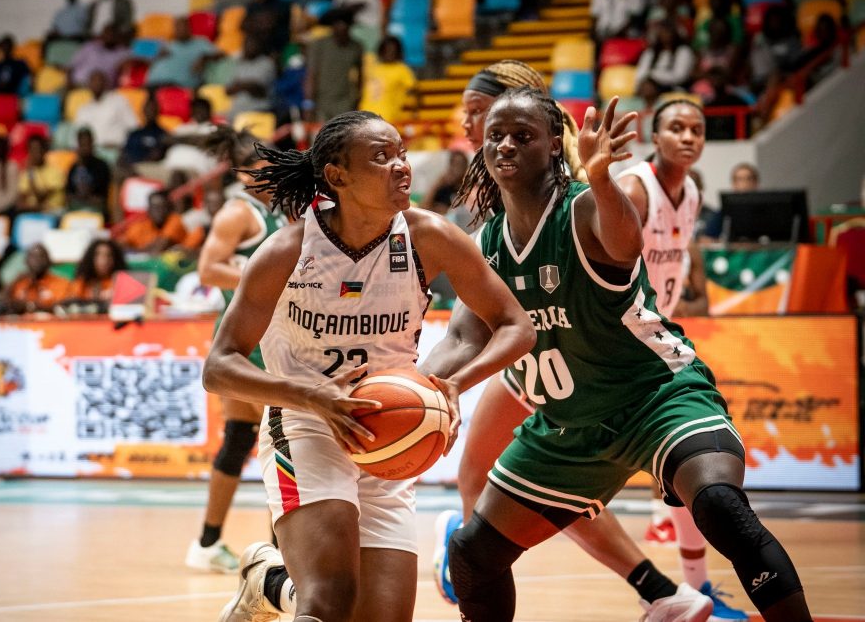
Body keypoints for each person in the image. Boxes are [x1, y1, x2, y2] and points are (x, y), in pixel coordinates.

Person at [435, 88, 812, 622]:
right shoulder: (486, 244)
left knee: (720, 506)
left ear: (554, 148)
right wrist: (414, 385)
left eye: (524, 136)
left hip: (656, 398)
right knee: (472, 554)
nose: (505, 146)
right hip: (568, 426)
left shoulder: (585, 206)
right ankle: (665, 591)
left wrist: (602, 178)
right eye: (496, 136)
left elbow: (625, 246)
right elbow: (461, 339)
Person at [206, 109, 535, 622]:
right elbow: (218, 367)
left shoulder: (431, 235)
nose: (401, 166)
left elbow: (516, 327)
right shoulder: (288, 249)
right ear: (337, 175)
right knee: (330, 602)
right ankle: (288, 589)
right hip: (306, 423)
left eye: (401, 153)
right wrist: (312, 396)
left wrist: (448, 383)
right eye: (381, 158)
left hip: (388, 428)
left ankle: (272, 584)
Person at [617, 98, 746, 619]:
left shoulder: (690, 190)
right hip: (625, 341)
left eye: (697, 128)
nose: (688, 137)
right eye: (676, 127)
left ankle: (693, 590)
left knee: (691, 461)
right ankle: (687, 589)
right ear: (656, 132)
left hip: (657, 335)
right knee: (696, 458)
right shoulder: (634, 188)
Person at [186, 127, 289, 574]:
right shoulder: (237, 212)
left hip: (265, 338)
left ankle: (208, 543)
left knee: (243, 438)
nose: (273, 173)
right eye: (265, 167)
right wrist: (259, 276)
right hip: (249, 342)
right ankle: (279, 552)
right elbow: (208, 269)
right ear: (247, 173)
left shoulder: (280, 212)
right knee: (283, 440)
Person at [304, 10, 363, 122]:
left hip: (345, 103)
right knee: (321, 136)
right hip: (321, 103)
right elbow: (311, 75)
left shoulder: (356, 47)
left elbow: (361, 76)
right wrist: (309, 104)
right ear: (332, 26)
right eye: (339, 23)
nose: (342, 27)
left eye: (346, 24)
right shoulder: (319, 45)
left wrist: (357, 100)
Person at [117, 190, 203, 254]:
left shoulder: (175, 220)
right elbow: (119, 246)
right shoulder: (141, 226)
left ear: (169, 209)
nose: (159, 211)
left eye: (163, 207)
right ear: (148, 210)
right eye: (155, 207)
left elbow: (159, 248)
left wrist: (135, 250)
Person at [146, 16, 219, 89]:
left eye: (182, 27)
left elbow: (220, 55)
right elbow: (151, 62)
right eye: (176, 27)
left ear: (189, 28)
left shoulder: (201, 42)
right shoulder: (169, 44)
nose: (179, 30)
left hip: (177, 85)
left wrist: (204, 58)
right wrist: (157, 56)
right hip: (153, 82)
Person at [73, 70, 139, 148]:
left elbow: (133, 127)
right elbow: (78, 135)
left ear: (106, 83)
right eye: (93, 81)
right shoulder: (84, 109)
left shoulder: (119, 101)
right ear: (88, 85)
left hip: (115, 149)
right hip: (92, 152)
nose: (96, 84)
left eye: (99, 80)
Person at [359, 35, 416, 123]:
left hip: (387, 119)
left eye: (393, 50)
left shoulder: (402, 69)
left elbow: (414, 91)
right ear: (381, 51)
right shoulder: (373, 67)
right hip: (364, 116)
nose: (390, 52)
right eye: (387, 49)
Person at [3, 243, 69, 314]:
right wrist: (15, 281)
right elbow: (4, 304)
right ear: (26, 261)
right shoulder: (19, 282)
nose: (37, 261)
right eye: (33, 257)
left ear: (49, 261)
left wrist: (35, 307)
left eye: (41, 256)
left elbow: (62, 308)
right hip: (22, 323)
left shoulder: (60, 283)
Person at [635, 23, 697, 94]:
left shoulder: (684, 51)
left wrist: (653, 76)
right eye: (663, 32)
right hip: (650, 86)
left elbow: (679, 77)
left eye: (668, 32)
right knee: (645, 88)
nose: (666, 35)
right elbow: (640, 74)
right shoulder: (650, 52)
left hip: (674, 88)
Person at [225, 39, 277, 121]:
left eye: (252, 45)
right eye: (246, 45)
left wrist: (241, 85)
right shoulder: (238, 62)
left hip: (258, 110)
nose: (249, 48)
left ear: (259, 47)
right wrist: (246, 85)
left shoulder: (266, 63)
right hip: (236, 112)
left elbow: (259, 90)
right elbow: (228, 90)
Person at [64, 239, 126, 306]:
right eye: (98, 255)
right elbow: (71, 302)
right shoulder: (81, 281)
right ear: (90, 258)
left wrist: (117, 297)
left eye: (109, 255)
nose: (104, 261)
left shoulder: (123, 282)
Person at [65, 128, 111, 215]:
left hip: (96, 210)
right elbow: (68, 195)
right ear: (78, 145)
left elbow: (102, 198)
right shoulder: (73, 168)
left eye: (88, 144)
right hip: (76, 208)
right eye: (82, 145)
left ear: (92, 144)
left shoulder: (102, 166)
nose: (85, 148)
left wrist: (87, 197)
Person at [17, 135, 66, 213]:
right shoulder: (26, 173)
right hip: (32, 211)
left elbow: (40, 196)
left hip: (52, 213)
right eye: (31, 150)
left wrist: (31, 175)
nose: (35, 153)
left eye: (37, 149)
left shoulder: (55, 172)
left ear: (44, 151)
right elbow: (21, 199)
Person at [121, 97, 169, 168]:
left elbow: (157, 155)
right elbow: (125, 153)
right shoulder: (134, 134)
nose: (150, 112)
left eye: (152, 109)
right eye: (148, 109)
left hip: (151, 168)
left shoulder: (163, 134)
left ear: (157, 111)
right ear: (143, 111)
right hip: (132, 168)